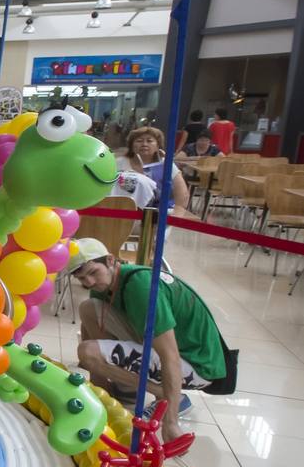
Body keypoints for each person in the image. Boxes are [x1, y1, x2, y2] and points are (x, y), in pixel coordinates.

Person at [69, 238, 229, 443]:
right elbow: (91, 325)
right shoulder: (108, 282)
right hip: (173, 350)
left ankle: (171, 397)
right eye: (81, 278)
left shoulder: (140, 287)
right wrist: (98, 393)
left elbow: (169, 355)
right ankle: (113, 392)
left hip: (196, 364)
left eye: (93, 273)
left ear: (110, 260)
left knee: (88, 352)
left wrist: (171, 422)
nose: (89, 282)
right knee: (88, 309)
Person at [114, 126, 191, 213]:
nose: (144, 144)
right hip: (122, 213)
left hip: (158, 214)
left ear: (158, 146)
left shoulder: (167, 165)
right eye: (139, 141)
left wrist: (176, 215)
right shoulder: (118, 163)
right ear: (131, 146)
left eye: (149, 141)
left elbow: (182, 195)